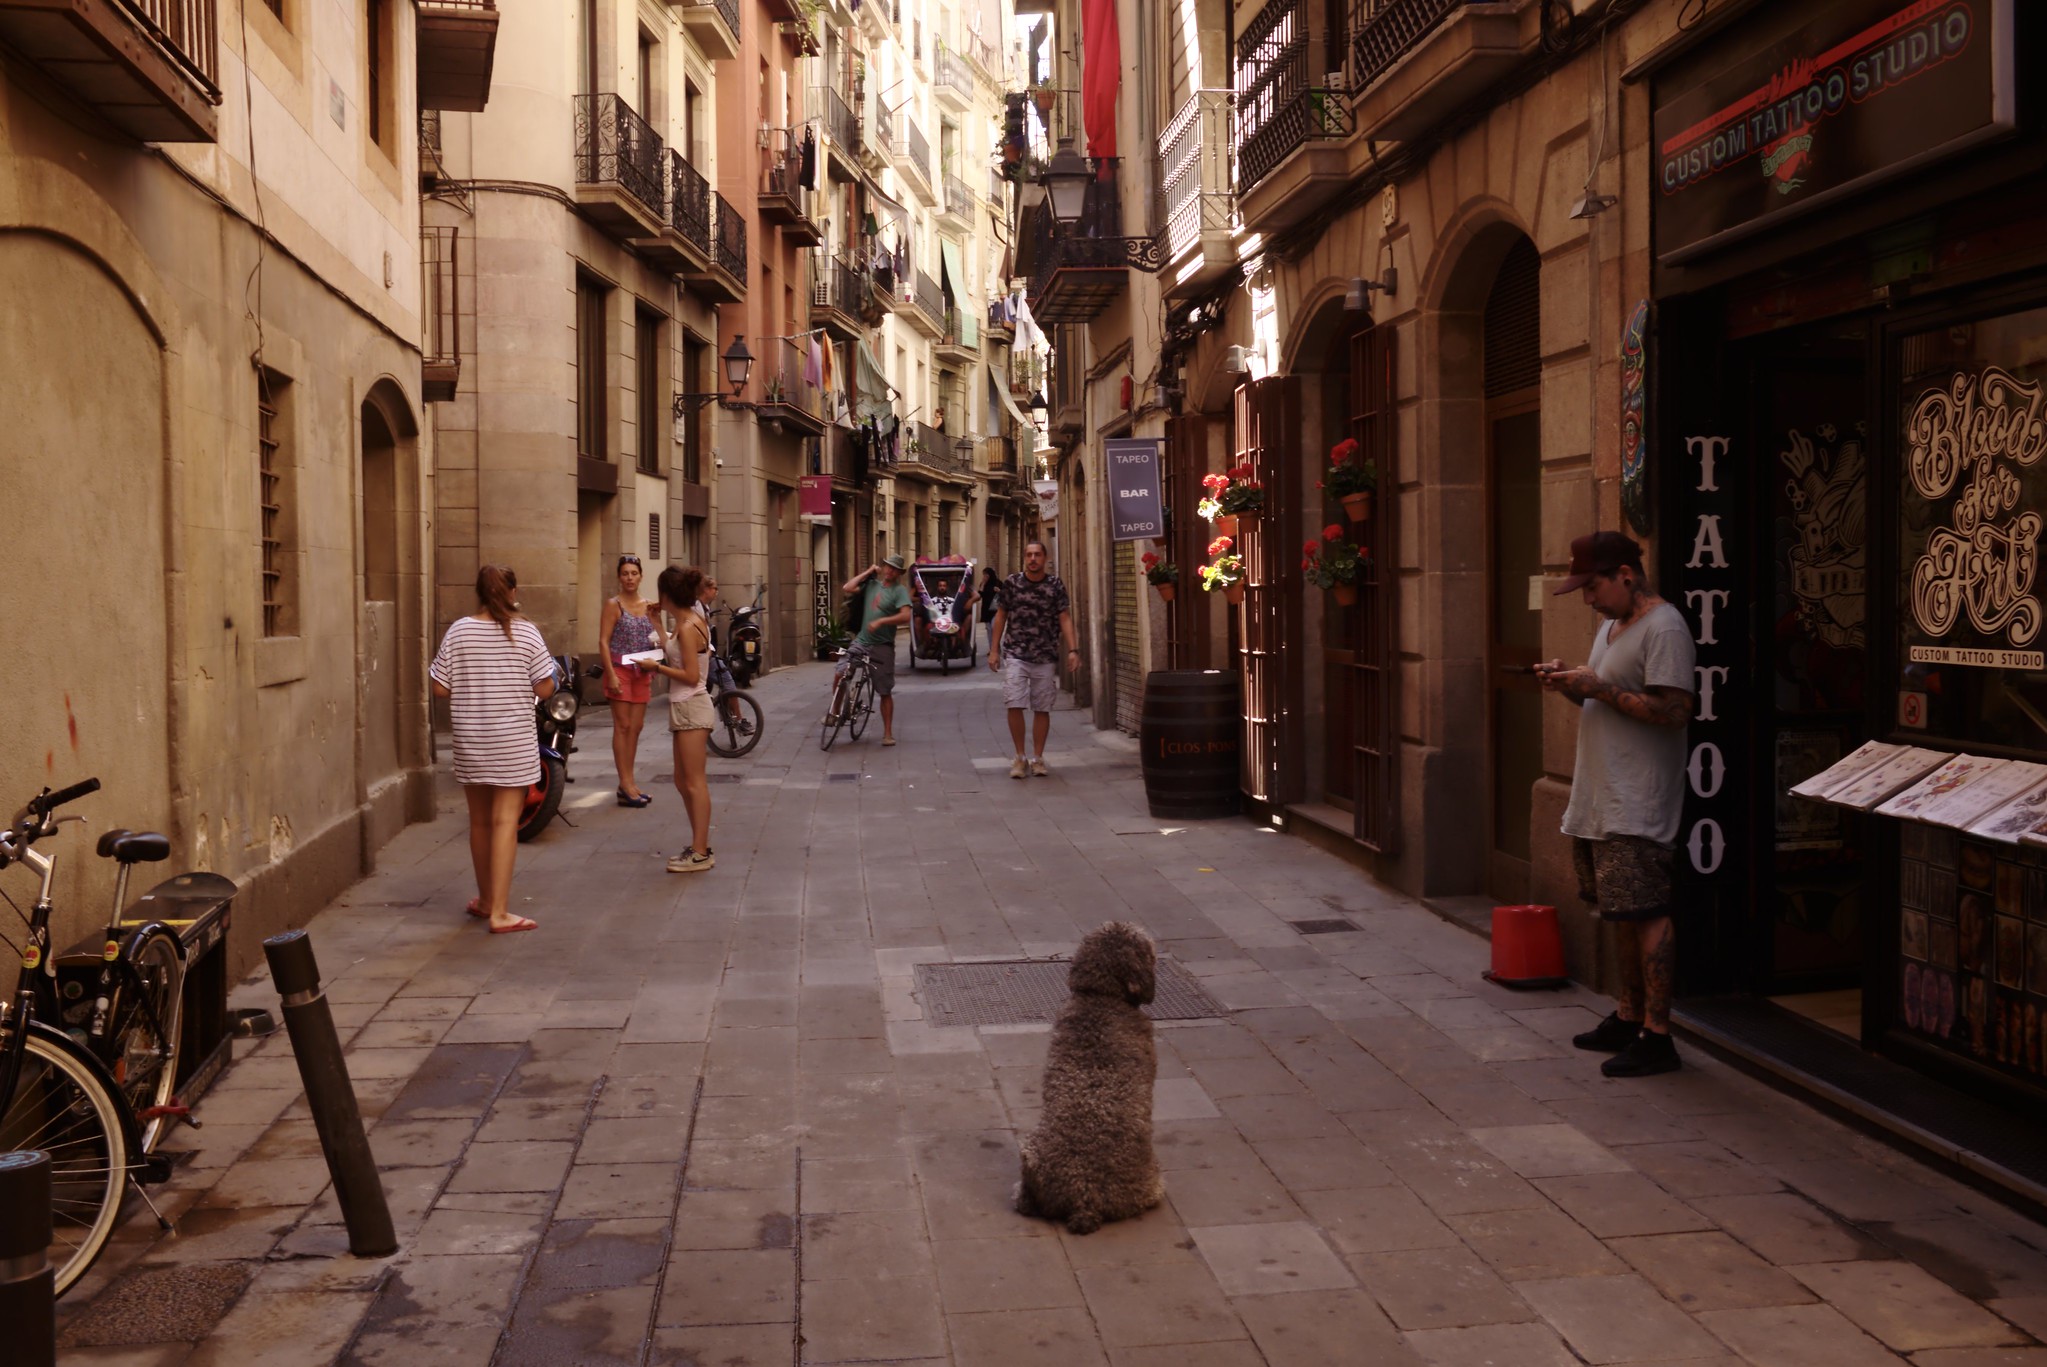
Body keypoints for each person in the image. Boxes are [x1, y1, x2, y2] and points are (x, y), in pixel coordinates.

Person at [1537, 531, 1698, 1078]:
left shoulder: (1666, 627)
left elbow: (1674, 712)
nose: (1588, 599)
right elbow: (1602, 691)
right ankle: (1629, 1016)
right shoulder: (1612, 625)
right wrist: (1569, 683)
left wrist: (1599, 689)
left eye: (1593, 586)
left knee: (1648, 913)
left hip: (1638, 800)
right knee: (1621, 913)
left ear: (1626, 574)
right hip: (1600, 797)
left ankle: (1659, 1036)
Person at [429, 564, 556, 933]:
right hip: (512, 741)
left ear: (480, 593)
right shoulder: (527, 633)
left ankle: (485, 900)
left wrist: (473, 685)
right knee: (505, 821)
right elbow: (545, 688)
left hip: (471, 739)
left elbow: (439, 687)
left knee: (480, 821)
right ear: (512, 592)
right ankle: (501, 911)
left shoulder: (459, 631)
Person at [988, 540, 1080, 779]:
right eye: (1029, 554)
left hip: (1045, 655)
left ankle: (1038, 758)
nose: (1032, 559)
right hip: (1016, 653)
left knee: (1042, 707)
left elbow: (1065, 617)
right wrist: (994, 650)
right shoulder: (1012, 583)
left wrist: (1073, 649)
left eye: (1037, 554)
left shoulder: (1055, 585)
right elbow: (1000, 616)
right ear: (1024, 558)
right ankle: (1019, 757)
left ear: (1045, 558)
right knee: (1014, 702)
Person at [650, 565, 714, 873]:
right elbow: (675, 653)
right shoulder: (687, 621)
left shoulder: (688, 626)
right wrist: (656, 625)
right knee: (682, 780)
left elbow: (689, 675)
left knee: (694, 782)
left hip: (692, 705)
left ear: (667, 594)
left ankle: (701, 850)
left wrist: (656, 669)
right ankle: (697, 844)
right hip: (684, 706)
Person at [598, 554, 664, 808]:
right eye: (625, 573)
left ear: (641, 576)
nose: (629, 578)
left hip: (643, 671)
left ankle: (629, 782)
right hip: (620, 670)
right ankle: (625, 783)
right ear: (619, 577)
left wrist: (657, 620)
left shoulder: (649, 605)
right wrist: (611, 674)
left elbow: (658, 636)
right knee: (622, 726)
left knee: (636, 728)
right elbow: (603, 641)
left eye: (633, 573)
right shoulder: (613, 605)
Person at [841, 554, 913, 745]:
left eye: (894, 569)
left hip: (882, 646)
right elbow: (847, 587)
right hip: (862, 641)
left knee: (884, 690)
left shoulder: (900, 591)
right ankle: (836, 712)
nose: (889, 570)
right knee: (841, 672)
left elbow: (906, 616)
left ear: (899, 573)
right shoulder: (871, 585)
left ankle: (887, 733)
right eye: (887, 566)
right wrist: (868, 572)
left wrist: (882, 620)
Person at [694, 573, 751, 734]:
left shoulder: (703, 607)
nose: (716, 592)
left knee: (723, 682)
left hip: (707, 653)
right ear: (705, 589)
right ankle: (739, 720)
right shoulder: (696, 608)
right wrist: (708, 651)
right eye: (714, 588)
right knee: (728, 682)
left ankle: (729, 715)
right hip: (703, 655)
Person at [977, 565, 1001, 653]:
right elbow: (979, 595)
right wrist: (983, 584)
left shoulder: (998, 583)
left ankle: (996, 647)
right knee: (989, 630)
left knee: (994, 628)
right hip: (986, 611)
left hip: (995, 610)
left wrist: (999, 591)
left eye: (986, 575)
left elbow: (1005, 595)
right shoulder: (983, 584)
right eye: (984, 575)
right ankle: (992, 649)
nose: (985, 577)